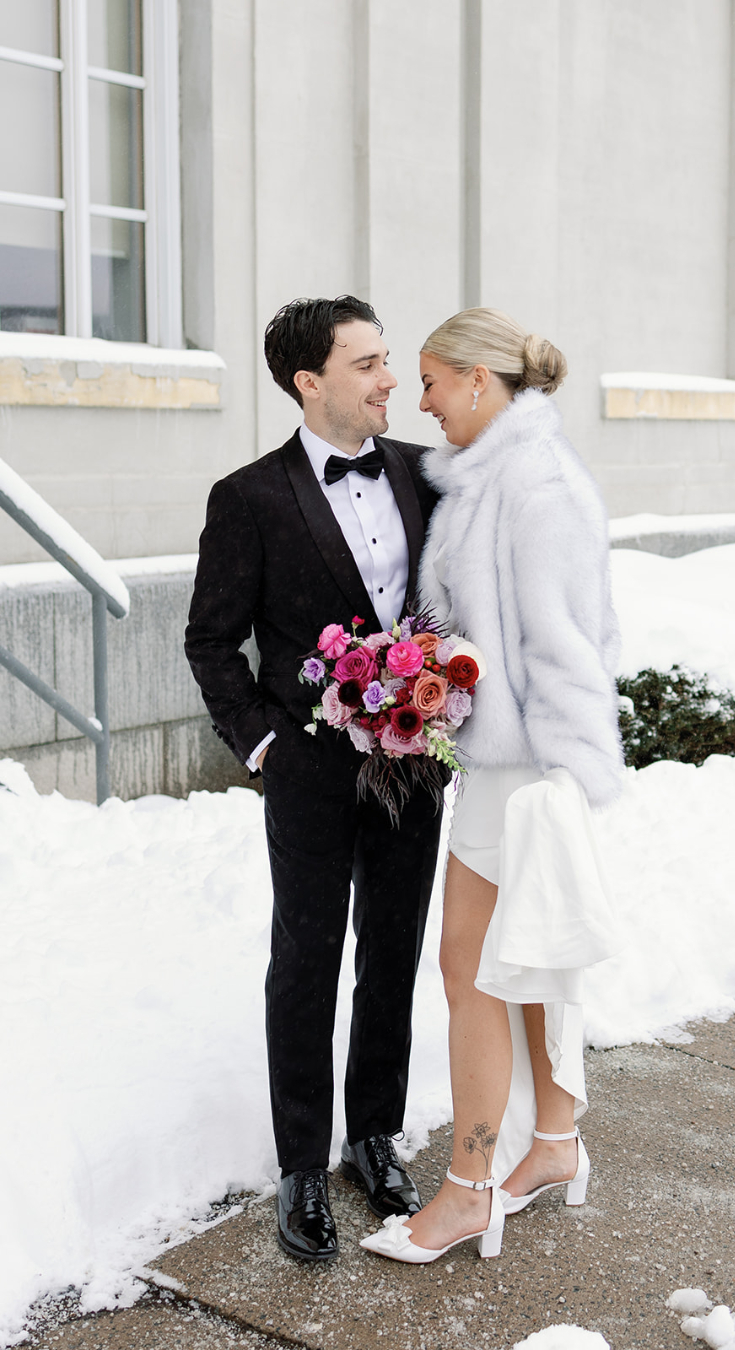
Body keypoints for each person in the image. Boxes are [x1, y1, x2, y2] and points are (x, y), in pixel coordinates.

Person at [360, 307, 624, 1264]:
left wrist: (568, 781)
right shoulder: (486, 481)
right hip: (497, 771)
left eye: (429, 381)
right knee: (518, 967)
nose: (418, 401)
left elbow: (567, 650)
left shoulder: (537, 489)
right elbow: (488, 634)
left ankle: (470, 1190)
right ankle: (552, 1144)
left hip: (528, 779)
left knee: (473, 972)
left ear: (479, 380)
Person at [184, 295, 445, 1263]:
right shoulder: (247, 499)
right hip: (308, 775)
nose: (390, 379)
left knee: (393, 948)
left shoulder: (426, 474)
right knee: (305, 961)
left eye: (386, 360)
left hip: (415, 767)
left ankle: (371, 1137)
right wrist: (265, 748)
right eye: (369, 363)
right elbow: (210, 641)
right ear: (310, 381)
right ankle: (300, 1161)